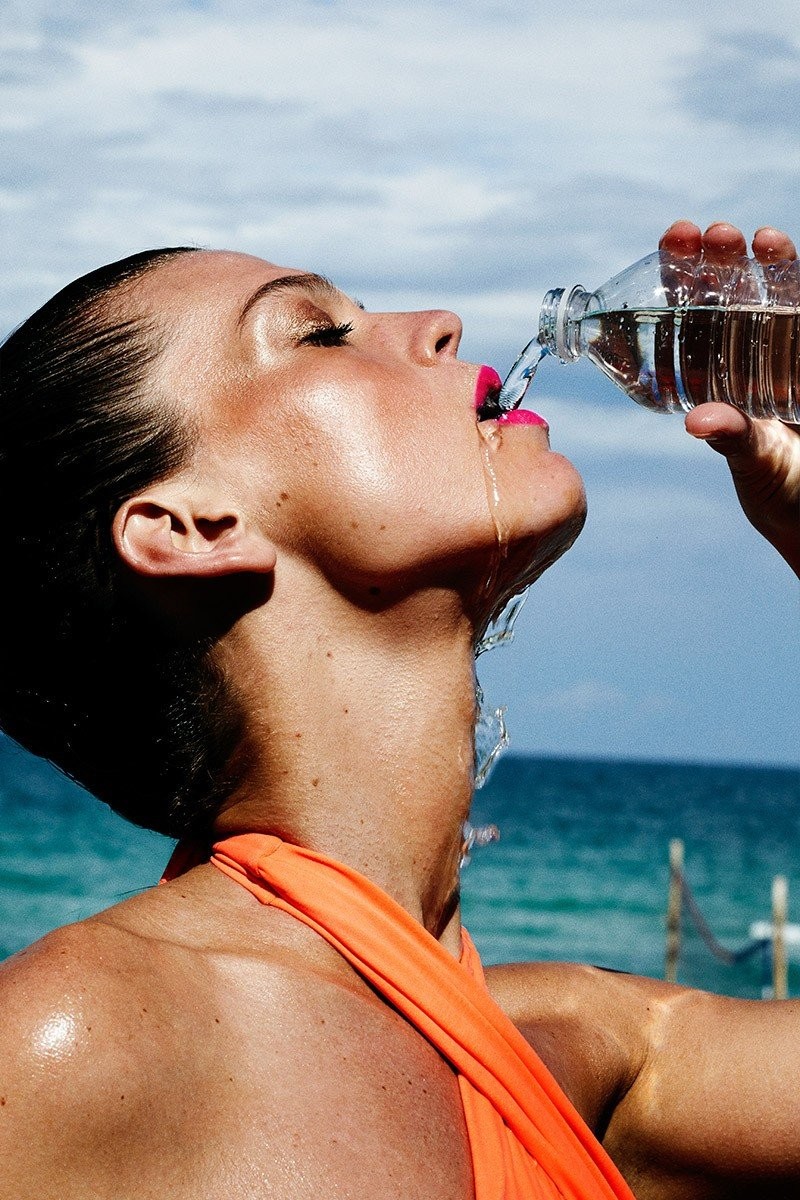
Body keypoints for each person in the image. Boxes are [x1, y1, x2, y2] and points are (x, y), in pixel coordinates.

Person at [0, 218, 797, 1200]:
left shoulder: (581, 1048)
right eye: (318, 333)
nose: (442, 325)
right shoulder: (69, 1045)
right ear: (192, 528)